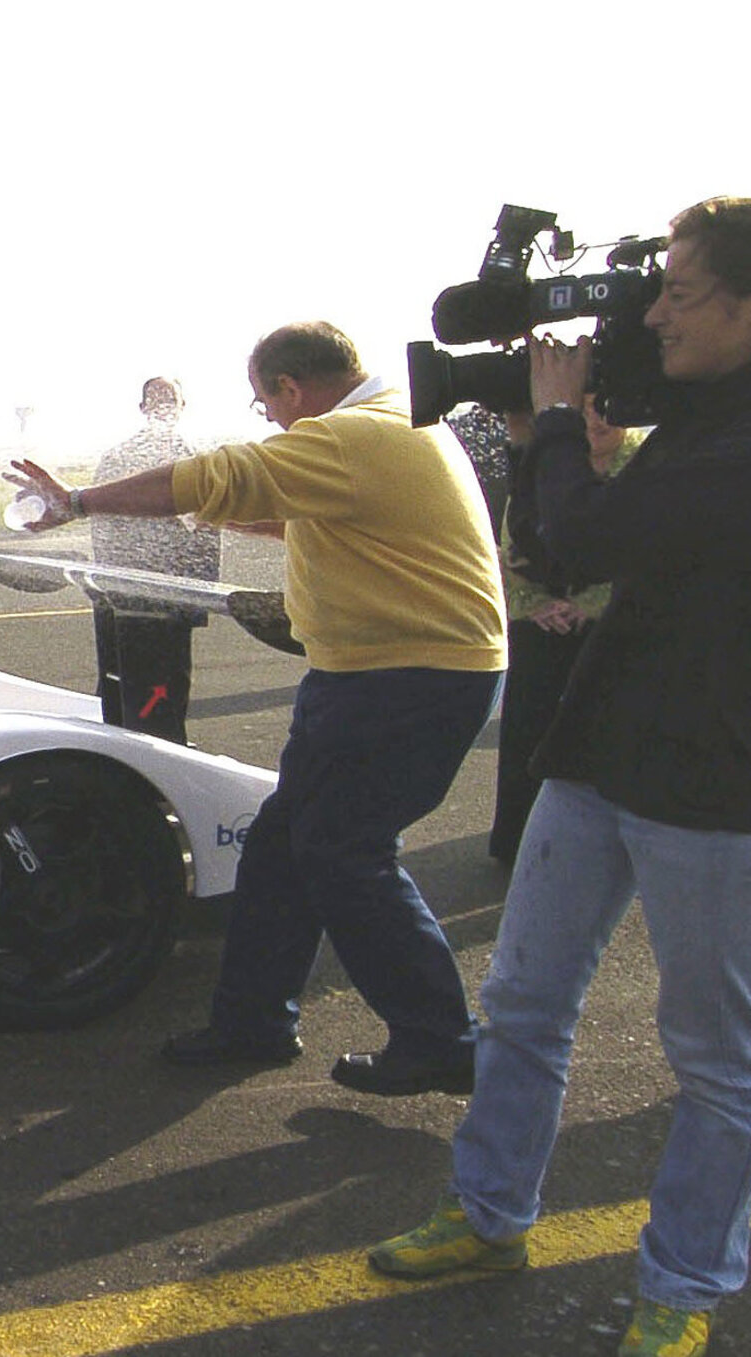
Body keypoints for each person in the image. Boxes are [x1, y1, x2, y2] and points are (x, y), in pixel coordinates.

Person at [369, 197, 751, 1357]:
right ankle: (490, 1214)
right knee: (525, 1004)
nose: (654, 314)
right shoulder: (689, 407)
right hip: (598, 756)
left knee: (717, 1062)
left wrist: (544, 433)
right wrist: (570, 417)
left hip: (715, 783)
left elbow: (589, 541)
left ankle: (682, 1284)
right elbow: (594, 528)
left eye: (678, 293)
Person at [8, 321, 506, 1096]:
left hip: (404, 680)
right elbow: (284, 512)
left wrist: (75, 501)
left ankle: (439, 1037)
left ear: (290, 389)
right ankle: (253, 1021)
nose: (268, 419)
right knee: (281, 847)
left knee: (344, 851)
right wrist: (191, 511)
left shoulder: (353, 434)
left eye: (266, 404)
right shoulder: (389, 428)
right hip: (368, 675)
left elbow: (223, 474)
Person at [487, 397, 639, 862]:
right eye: (585, 410)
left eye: (608, 410)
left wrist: (588, 606)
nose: (597, 422)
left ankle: (615, 843)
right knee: (528, 724)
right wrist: (534, 605)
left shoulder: (646, 467)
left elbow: (648, 554)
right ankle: (516, 841)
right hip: (543, 617)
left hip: (620, 623)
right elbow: (513, 539)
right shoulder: (548, 464)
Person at [88, 377, 221, 742]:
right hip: (152, 605)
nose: (164, 407)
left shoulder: (191, 458)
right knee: (157, 697)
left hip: (131, 600)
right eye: (159, 400)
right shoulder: (191, 458)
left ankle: (128, 754)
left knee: (123, 693)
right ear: (144, 408)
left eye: (169, 399)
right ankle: (159, 761)